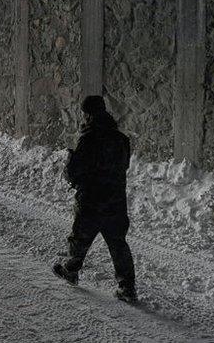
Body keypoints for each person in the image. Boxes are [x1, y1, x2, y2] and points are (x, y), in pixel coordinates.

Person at [52, 95, 137, 303]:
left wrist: (70, 166)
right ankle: (127, 287)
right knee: (118, 243)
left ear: (88, 114)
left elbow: (75, 171)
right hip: (116, 199)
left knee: (80, 236)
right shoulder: (121, 139)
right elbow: (123, 167)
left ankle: (71, 270)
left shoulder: (88, 138)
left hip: (91, 198)